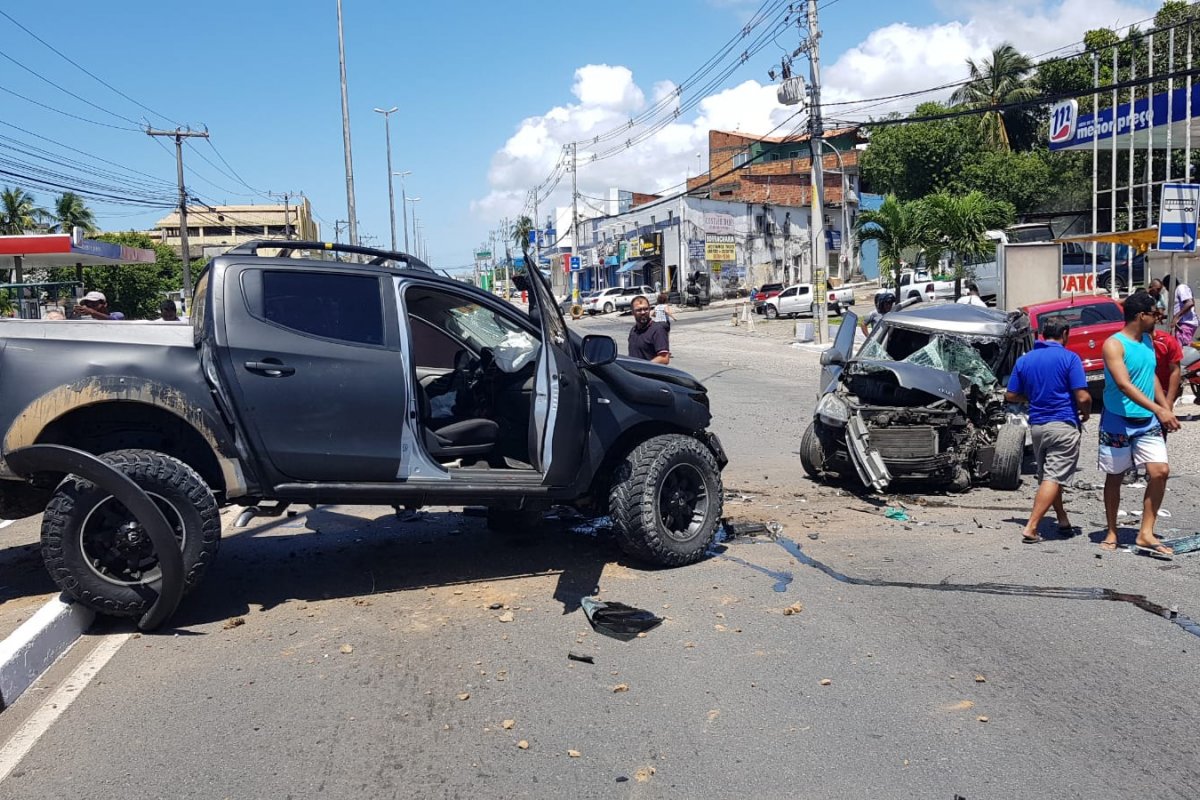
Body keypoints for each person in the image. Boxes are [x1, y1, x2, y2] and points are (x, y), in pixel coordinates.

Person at [1098, 291, 1180, 557]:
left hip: (1147, 422)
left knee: (1160, 471)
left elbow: (1151, 376)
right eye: (1154, 313)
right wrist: (1159, 409)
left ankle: (1146, 533)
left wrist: (1165, 408)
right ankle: (1112, 531)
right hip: (1117, 421)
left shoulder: (1147, 340)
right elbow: (1123, 383)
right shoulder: (1114, 344)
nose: (1158, 317)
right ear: (1140, 315)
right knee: (1116, 477)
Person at [1005, 317, 1091, 544]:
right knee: (1054, 477)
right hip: (1063, 424)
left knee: (1050, 478)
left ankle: (1062, 520)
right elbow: (1083, 396)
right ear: (1064, 333)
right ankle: (1031, 527)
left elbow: (1010, 395)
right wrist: (1086, 412)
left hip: (1038, 427)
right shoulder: (1069, 358)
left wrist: (1031, 397)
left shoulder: (1026, 360)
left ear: (1042, 334)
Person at [628, 295, 670, 365]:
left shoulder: (657, 330)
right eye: (639, 310)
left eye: (646, 309)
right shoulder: (633, 331)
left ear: (650, 309)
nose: (643, 312)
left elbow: (664, 358)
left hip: (648, 374)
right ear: (632, 312)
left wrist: (643, 366)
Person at [1171, 275, 1196, 349]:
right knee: (1179, 347)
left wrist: (1176, 317)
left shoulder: (1181, 288)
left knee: (1182, 349)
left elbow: (1190, 303)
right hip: (1184, 323)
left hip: (1186, 323)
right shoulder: (1179, 290)